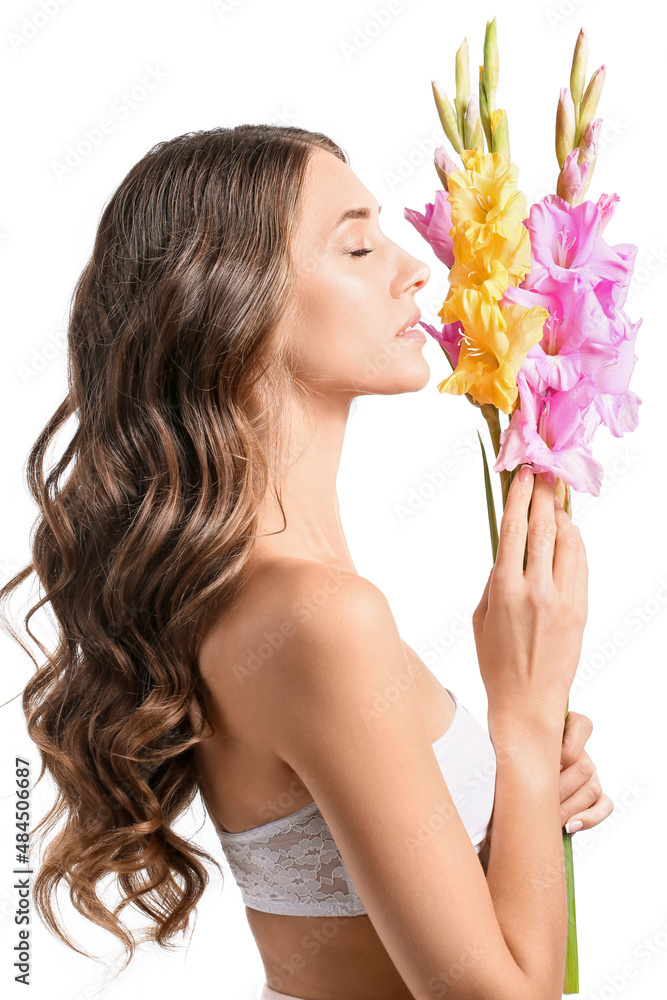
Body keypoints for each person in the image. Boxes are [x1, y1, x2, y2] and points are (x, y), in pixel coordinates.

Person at [0, 123, 612, 1000]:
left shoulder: (254, 596)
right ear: (231, 305)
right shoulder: (317, 616)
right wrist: (520, 718)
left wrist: (522, 803)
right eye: (356, 245)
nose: (415, 269)